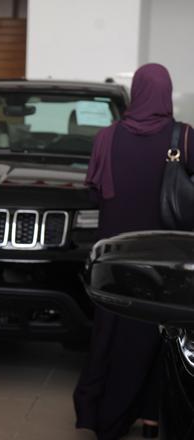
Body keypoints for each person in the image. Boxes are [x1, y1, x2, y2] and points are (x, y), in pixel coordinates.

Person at [74, 63, 194, 439]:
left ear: (136, 91)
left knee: (108, 332)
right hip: (164, 258)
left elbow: (94, 193)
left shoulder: (106, 138)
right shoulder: (184, 137)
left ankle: (96, 416)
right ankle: (151, 417)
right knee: (159, 336)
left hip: (115, 257)